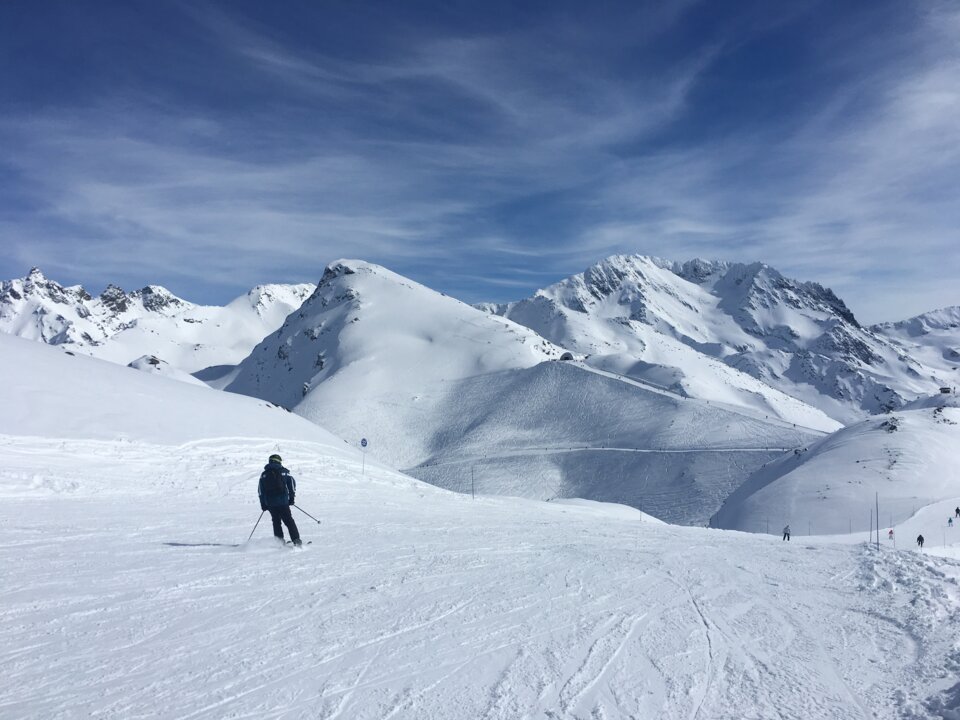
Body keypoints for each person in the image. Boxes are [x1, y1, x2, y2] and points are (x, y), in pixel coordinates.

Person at [258, 454, 301, 546]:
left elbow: (261, 491)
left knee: (276, 521)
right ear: (279, 461)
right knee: (289, 521)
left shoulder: (264, 474)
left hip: (270, 503)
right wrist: (292, 497)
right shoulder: (284, 471)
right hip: (283, 502)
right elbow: (292, 484)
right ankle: (296, 540)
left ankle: (279, 542)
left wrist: (263, 504)